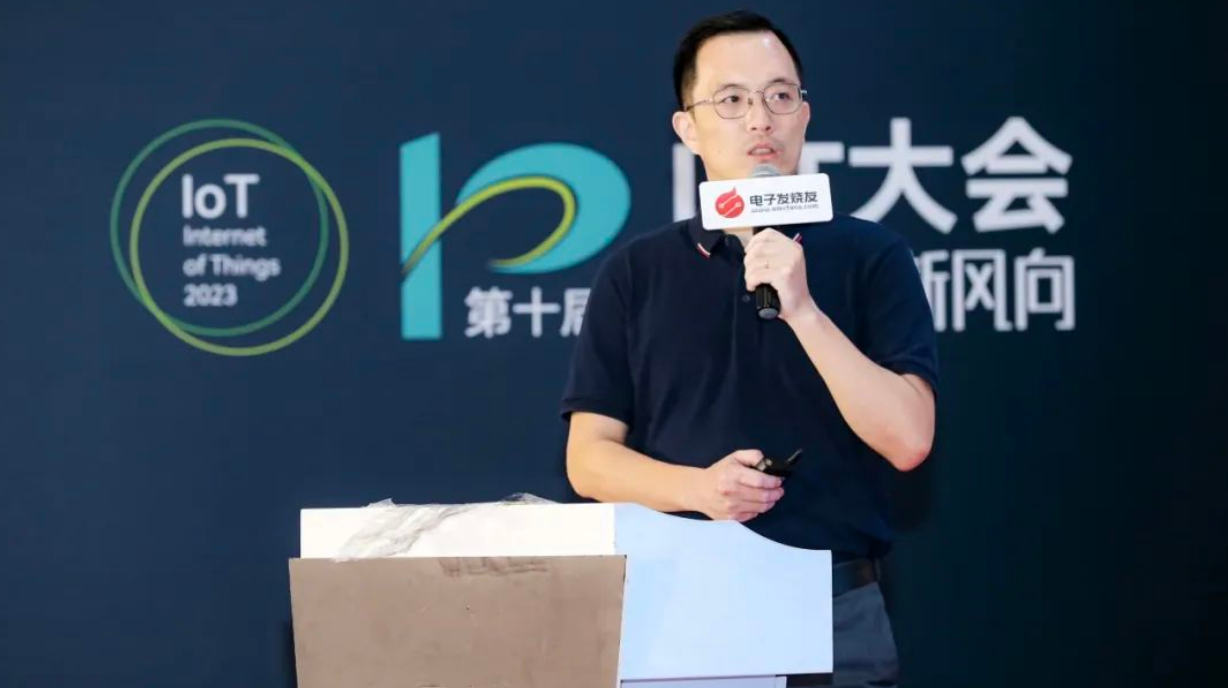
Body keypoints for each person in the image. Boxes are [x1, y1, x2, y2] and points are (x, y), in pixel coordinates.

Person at [561, 10, 937, 687]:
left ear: (804, 114)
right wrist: (700, 489)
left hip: (833, 609)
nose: (761, 120)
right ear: (687, 128)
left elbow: (909, 438)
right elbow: (588, 459)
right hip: (677, 610)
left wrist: (803, 310)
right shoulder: (637, 272)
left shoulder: (872, 256)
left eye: (780, 96)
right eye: (732, 100)